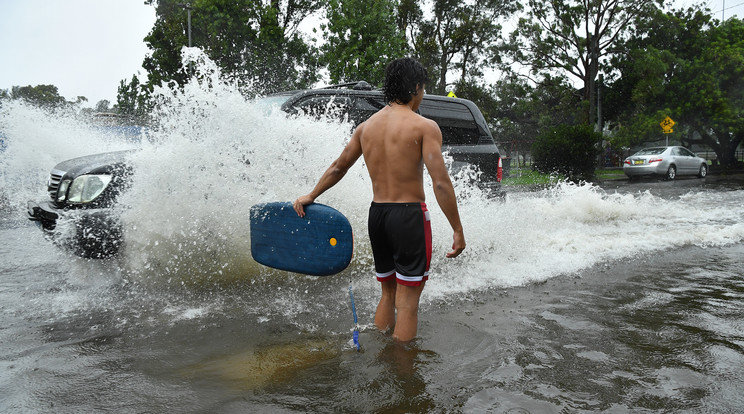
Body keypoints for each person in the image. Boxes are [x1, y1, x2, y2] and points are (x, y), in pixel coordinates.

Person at [293, 57, 465, 342]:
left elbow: (339, 167)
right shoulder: (424, 127)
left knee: (388, 291)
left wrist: (311, 195)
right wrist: (457, 228)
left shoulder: (366, 128)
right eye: (422, 90)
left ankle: (380, 351)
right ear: (415, 88)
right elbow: (440, 182)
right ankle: (401, 372)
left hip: (378, 216)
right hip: (408, 217)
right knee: (408, 302)